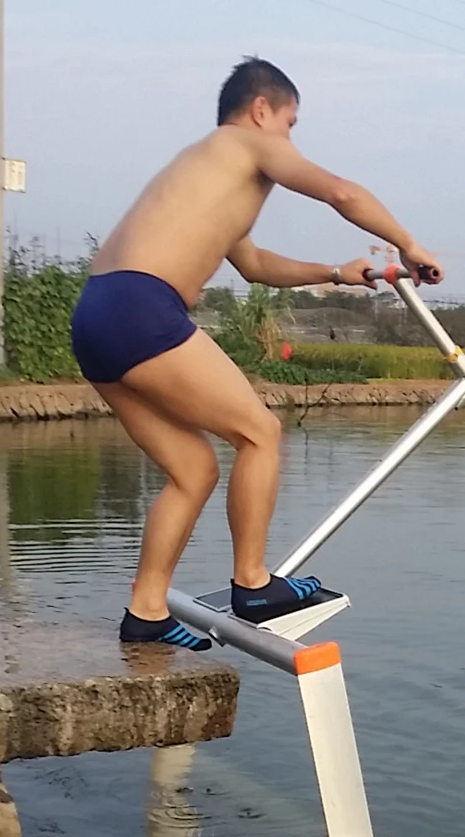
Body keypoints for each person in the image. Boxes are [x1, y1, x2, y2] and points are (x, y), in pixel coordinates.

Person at [70, 57, 444, 650]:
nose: (290, 141)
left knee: (193, 470)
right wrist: (409, 243)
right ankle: (253, 582)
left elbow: (253, 265)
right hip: (142, 306)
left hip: (96, 315)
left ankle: (145, 613)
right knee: (260, 433)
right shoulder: (244, 142)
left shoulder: (204, 172)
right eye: (290, 125)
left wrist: (337, 273)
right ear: (262, 109)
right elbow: (341, 192)